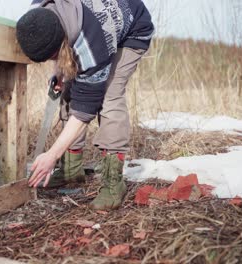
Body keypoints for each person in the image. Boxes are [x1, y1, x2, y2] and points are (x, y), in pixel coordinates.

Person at [16, 0, 154, 210]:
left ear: (61, 43)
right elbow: (57, 45)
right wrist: (59, 72)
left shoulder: (91, 44)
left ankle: (113, 182)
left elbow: (84, 110)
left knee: (109, 97)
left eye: (52, 56)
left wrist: (51, 155)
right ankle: (72, 170)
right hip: (86, 26)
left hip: (131, 32)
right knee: (68, 90)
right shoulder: (38, 12)